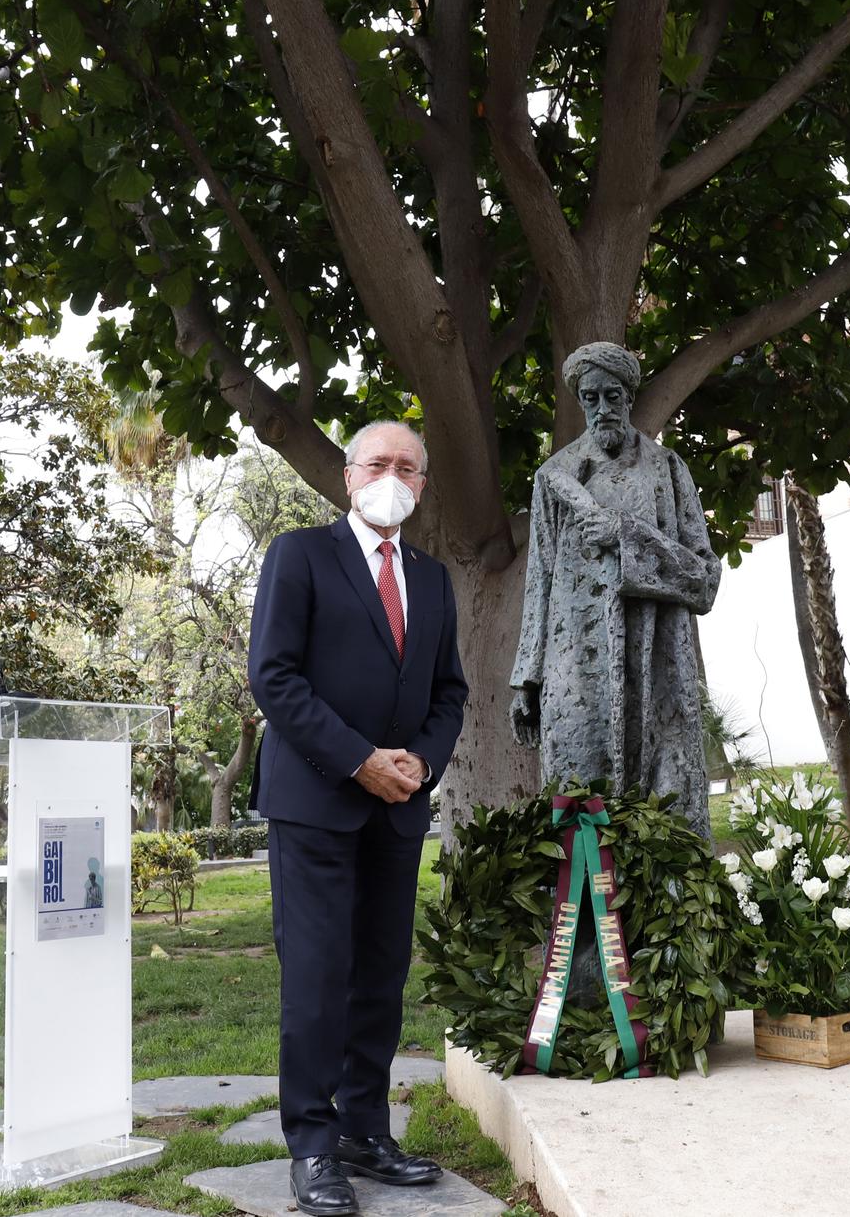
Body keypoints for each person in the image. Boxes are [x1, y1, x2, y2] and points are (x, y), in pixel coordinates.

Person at [248, 420, 468, 1217]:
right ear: (348, 475)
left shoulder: (435, 579)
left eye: (409, 466)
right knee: (316, 978)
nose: (393, 476)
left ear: (422, 484)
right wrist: (359, 759)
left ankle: (364, 1131)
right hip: (314, 803)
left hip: (399, 809)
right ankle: (311, 1140)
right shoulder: (300, 555)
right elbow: (272, 676)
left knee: (380, 975)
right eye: (379, 462)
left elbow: (450, 693)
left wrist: (421, 762)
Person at [508, 342, 721, 837]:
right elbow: (537, 579)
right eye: (590, 398)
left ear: (629, 397)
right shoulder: (554, 479)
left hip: (658, 668)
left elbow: (705, 579)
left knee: (669, 811)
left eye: (612, 396)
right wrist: (527, 675)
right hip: (577, 669)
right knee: (578, 802)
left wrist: (626, 537)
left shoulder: (668, 470)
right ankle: (583, 915)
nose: (602, 409)